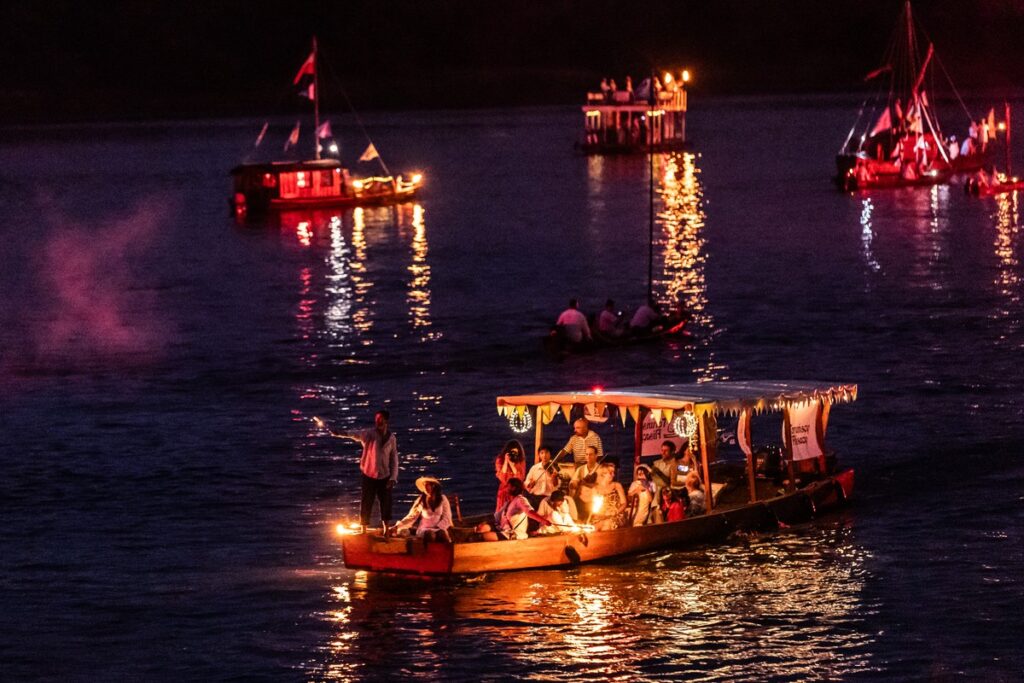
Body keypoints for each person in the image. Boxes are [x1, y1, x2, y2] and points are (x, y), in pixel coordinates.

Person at [324, 409, 398, 534]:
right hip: (369, 474)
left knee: (386, 503)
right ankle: (363, 529)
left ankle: (386, 530)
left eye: (380, 419)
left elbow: (394, 458)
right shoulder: (369, 434)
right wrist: (339, 433)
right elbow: (354, 434)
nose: (377, 421)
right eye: (376, 419)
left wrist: (393, 478)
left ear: (386, 420)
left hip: (385, 476)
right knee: (366, 502)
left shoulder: (391, 438)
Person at [477, 478, 551, 540]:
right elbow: (496, 517)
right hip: (502, 529)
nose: (506, 489)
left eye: (508, 486)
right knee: (481, 530)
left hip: (514, 533)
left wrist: (544, 521)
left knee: (481, 537)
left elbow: (529, 512)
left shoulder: (520, 499)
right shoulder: (508, 503)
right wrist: (484, 523)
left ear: (513, 488)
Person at [392, 476, 452, 542]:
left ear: (433, 486)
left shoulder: (443, 499)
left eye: (427, 485)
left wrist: (439, 527)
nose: (425, 487)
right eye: (424, 485)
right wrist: (397, 526)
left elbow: (447, 516)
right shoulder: (421, 500)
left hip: (438, 528)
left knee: (442, 534)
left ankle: (447, 551)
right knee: (430, 535)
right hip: (424, 529)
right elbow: (412, 516)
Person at [589, 463, 627, 531]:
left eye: (613, 472)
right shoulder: (595, 489)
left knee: (606, 525)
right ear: (603, 474)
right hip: (602, 516)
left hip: (616, 515)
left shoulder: (617, 486)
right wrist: (601, 514)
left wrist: (615, 512)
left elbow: (624, 503)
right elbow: (594, 508)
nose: (613, 475)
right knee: (594, 528)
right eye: (611, 473)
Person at [494, 440, 527, 514]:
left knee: (515, 512)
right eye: (512, 452)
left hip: (516, 491)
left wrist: (512, 465)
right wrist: (506, 461)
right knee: (502, 512)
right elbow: (502, 477)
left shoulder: (520, 460)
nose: (514, 454)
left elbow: (520, 478)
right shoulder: (500, 460)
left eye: (516, 453)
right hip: (505, 490)